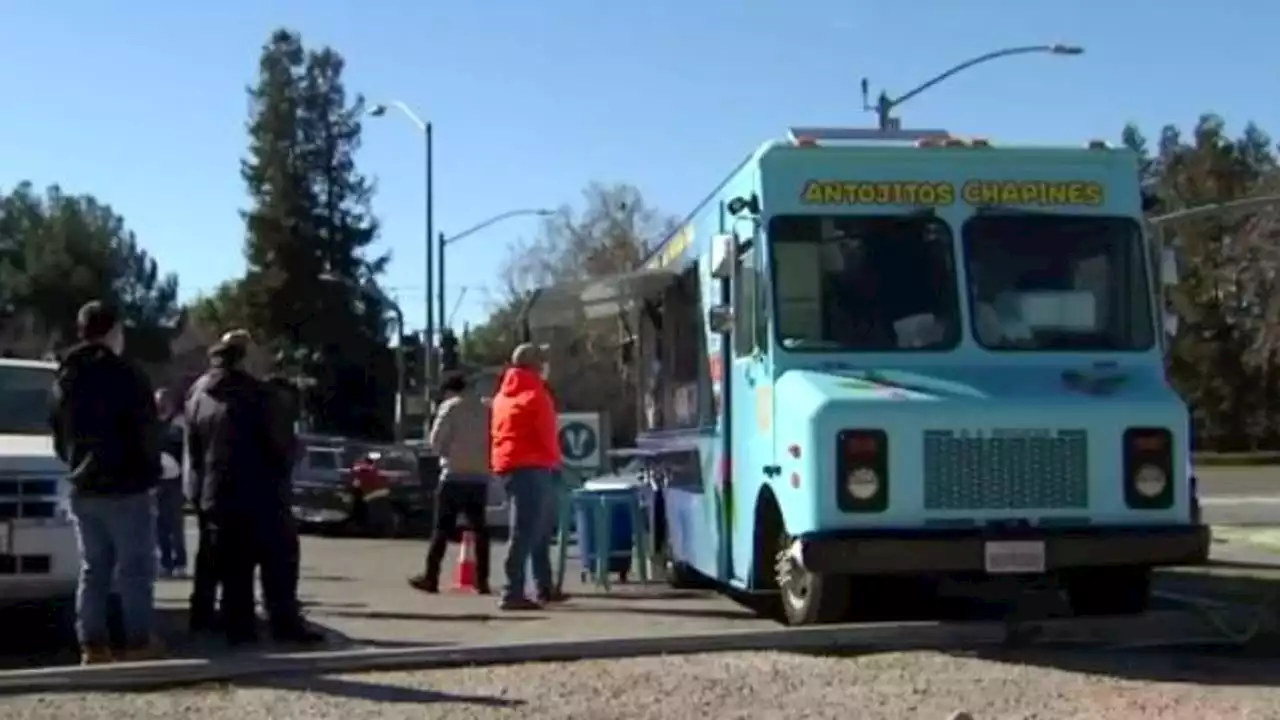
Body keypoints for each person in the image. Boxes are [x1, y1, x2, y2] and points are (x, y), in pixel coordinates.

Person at [185, 330, 321, 645]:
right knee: (279, 561)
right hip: (262, 492)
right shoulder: (258, 395)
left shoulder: (198, 394)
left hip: (215, 492)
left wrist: (197, 491)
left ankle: (239, 628)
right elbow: (279, 444)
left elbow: (193, 449)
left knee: (234, 567)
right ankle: (284, 624)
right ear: (244, 357)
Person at [49, 300, 164, 664]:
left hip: (84, 484)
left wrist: (75, 463)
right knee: (134, 568)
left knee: (94, 568)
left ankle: (93, 644)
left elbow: (57, 432)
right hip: (126, 484)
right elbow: (146, 430)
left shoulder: (65, 376)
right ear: (113, 330)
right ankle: (138, 641)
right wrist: (152, 472)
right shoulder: (127, 374)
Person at [489, 344, 566, 610]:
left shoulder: (503, 396)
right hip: (533, 466)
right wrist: (557, 462)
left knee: (534, 529)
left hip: (508, 465)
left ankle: (543, 586)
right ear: (535, 364)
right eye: (542, 361)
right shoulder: (536, 394)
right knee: (527, 531)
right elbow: (547, 435)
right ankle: (512, 591)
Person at [409, 372, 492, 594]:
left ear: (450, 391)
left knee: (441, 529)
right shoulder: (487, 409)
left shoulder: (450, 407)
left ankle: (431, 577)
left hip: (453, 476)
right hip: (479, 477)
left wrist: (447, 453)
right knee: (480, 530)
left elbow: (435, 442)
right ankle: (482, 581)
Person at [154, 388, 188, 577]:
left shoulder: (179, 423)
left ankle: (180, 562)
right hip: (157, 480)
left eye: (163, 401)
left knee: (175, 524)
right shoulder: (152, 424)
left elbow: (187, 451)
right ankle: (164, 561)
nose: (161, 404)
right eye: (158, 401)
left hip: (175, 481)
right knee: (159, 524)